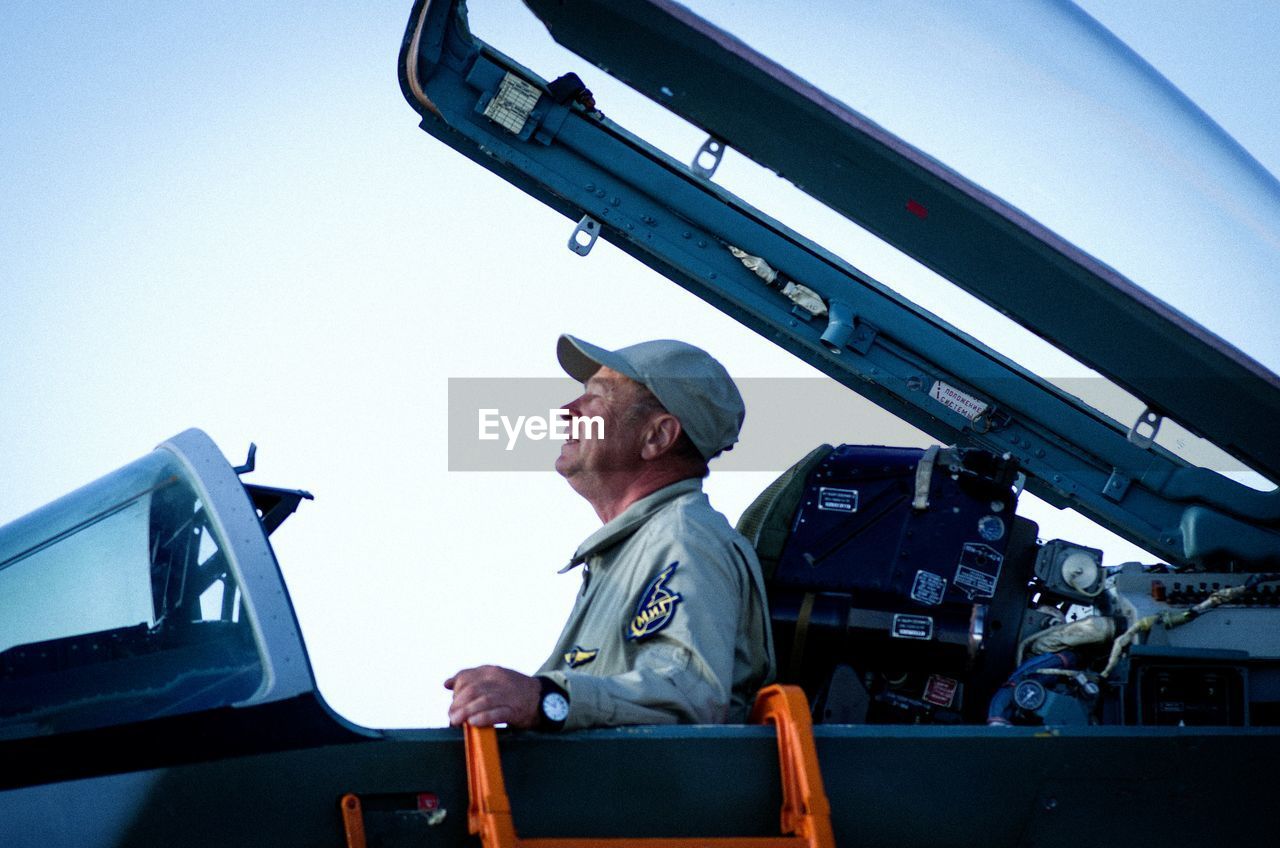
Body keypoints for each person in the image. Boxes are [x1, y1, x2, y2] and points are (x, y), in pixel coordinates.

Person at [445, 334, 775, 730]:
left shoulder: (683, 539)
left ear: (657, 437)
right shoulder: (636, 547)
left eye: (595, 398)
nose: (567, 411)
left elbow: (691, 695)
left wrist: (545, 699)